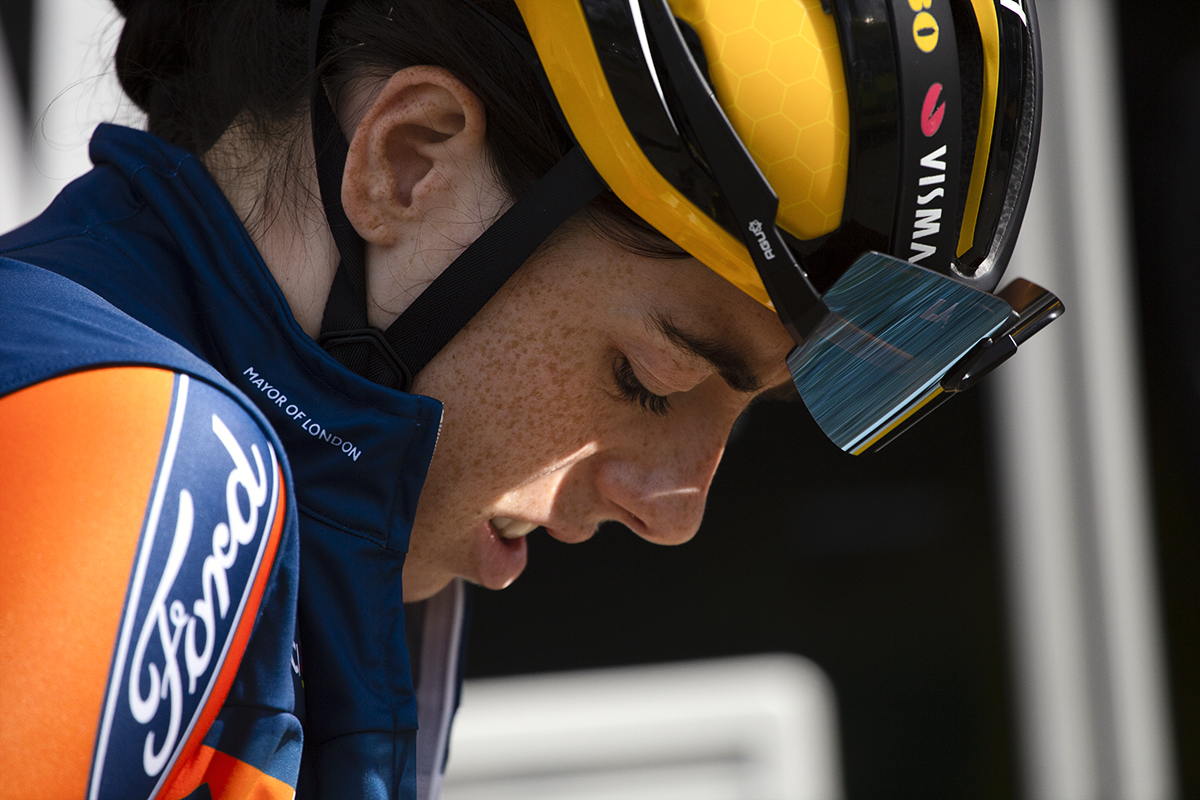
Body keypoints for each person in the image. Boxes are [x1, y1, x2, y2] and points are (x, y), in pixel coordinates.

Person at [0, 0, 1058, 798]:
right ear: (409, 161)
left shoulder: (360, 540)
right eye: (650, 378)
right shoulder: (147, 457)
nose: (678, 508)